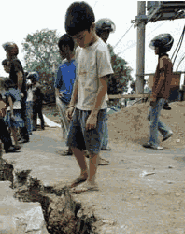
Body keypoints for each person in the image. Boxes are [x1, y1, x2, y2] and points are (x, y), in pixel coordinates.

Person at [64, 1, 114, 193]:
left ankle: (92, 181)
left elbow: (103, 85)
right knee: (73, 144)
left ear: (92, 27)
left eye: (80, 37)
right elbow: (78, 79)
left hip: (95, 108)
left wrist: (94, 114)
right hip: (80, 107)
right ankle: (84, 173)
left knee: (93, 149)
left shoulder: (100, 50)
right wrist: (71, 104)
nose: (78, 42)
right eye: (75, 39)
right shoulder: (80, 49)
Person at [143, 34, 174, 150]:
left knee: (153, 120)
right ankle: (166, 132)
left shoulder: (163, 60)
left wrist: (154, 96)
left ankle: (154, 143)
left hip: (159, 95)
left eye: (156, 47)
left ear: (162, 48)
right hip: (162, 95)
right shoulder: (166, 60)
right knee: (151, 117)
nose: (155, 49)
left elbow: (161, 80)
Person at [95, 18, 116, 152]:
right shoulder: (99, 46)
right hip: (97, 86)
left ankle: (103, 143)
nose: (106, 35)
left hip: (101, 86)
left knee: (101, 117)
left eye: (108, 32)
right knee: (100, 117)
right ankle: (103, 143)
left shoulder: (102, 47)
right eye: (104, 32)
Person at [2, 42, 29, 143]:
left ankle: (24, 136)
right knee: (21, 113)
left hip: (18, 92)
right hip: (19, 91)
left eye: (7, 52)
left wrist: (18, 90)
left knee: (20, 114)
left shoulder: (15, 62)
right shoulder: (14, 62)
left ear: (10, 52)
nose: (6, 54)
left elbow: (20, 75)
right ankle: (24, 135)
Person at [55, 34, 77, 156]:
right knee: (66, 125)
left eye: (60, 49)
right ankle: (70, 148)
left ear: (66, 47)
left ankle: (80, 149)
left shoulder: (78, 63)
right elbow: (57, 85)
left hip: (77, 101)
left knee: (77, 125)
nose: (59, 52)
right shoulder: (62, 66)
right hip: (64, 101)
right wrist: (58, 97)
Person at [3, 79, 24, 150]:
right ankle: (12, 141)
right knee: (15, 126)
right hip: (18, 109)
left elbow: (10, 103)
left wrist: (11, 114)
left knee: (12, 128)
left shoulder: (8, 92)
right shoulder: (17, 91)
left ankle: (16, 143)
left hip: (12, 110)